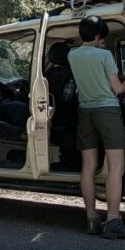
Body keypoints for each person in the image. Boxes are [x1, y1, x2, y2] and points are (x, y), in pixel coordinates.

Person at [67, 16, 125, 240]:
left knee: (88, 166)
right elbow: (118, 88)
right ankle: (113, 219)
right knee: (115, 167)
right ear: (99, 36)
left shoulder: (72, 55)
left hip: (85, 111)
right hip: (107, 111)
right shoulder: (105, 55)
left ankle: (91, 217)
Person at [45, 42, 79, 170]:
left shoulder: (45, 75)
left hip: (47, 117)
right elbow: (67, 101)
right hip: (64, 120)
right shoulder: (71, 75)